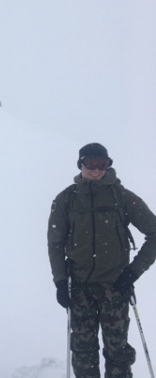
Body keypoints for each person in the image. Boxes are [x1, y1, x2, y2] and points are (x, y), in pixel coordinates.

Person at [48, 143, 156, 378]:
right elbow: (55, 243)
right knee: (83, 352)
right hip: (79, 288)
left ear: (108, 165)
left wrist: (133, 272)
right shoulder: (66, 199)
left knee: (118, 352)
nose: (96, 169)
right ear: (81, 164)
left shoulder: (122, 197)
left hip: (115, 286)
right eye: (90, 163)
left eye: (102, 164)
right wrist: (60, 281)